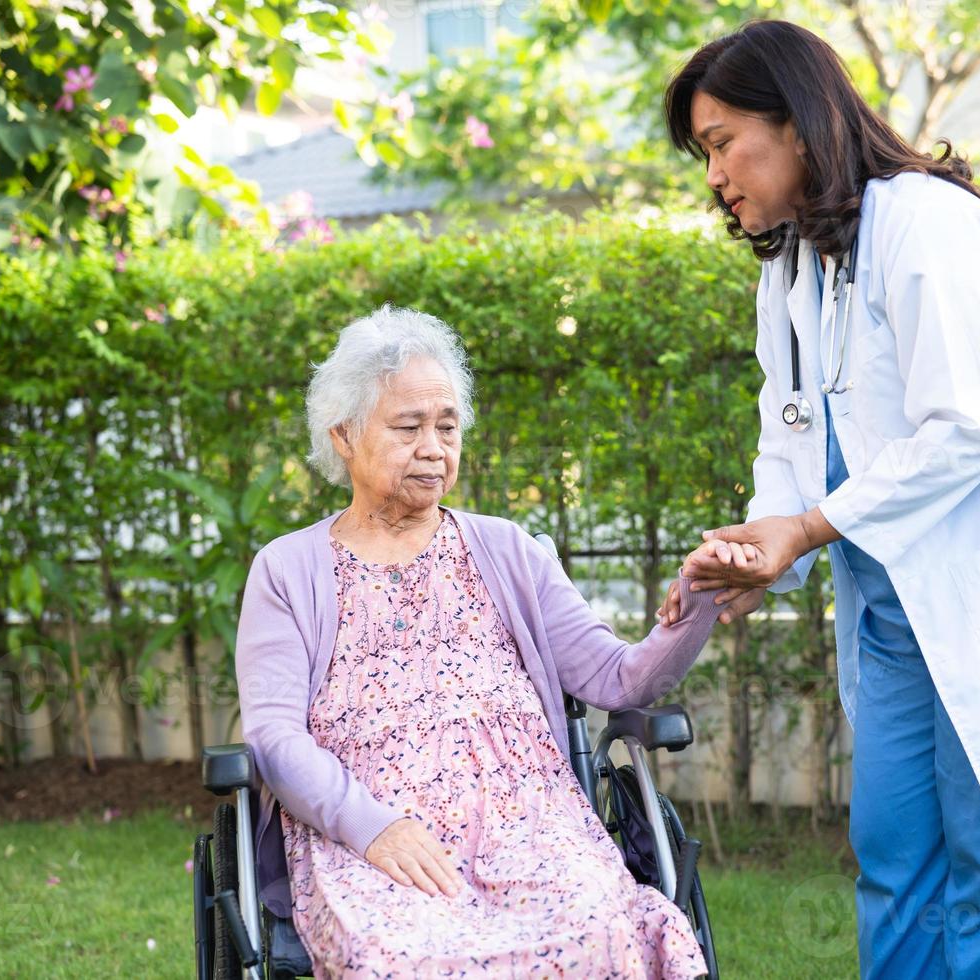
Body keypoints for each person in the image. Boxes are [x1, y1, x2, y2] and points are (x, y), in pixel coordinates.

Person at [655, 20, 980, 979]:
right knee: (894, 858)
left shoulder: (923, 221)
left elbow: (966, 426)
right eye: (705, 154)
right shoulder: (793, 268)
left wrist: (808, 527)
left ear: (801, 124)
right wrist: (758, 548)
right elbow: (792, 439)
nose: (716, 174)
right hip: (898, 606)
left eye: (725, 142)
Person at [236, 305, 713, 978]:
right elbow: (274, 737)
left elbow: (619, 679)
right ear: (343, 436)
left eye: (447, 425)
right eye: (408, 427)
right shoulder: (287, 571)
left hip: (534, 829)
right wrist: (373, 829)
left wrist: (699, 600)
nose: (434, 447)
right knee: (395, 959)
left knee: (604, 926)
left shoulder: (508, 549)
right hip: (369, 839)